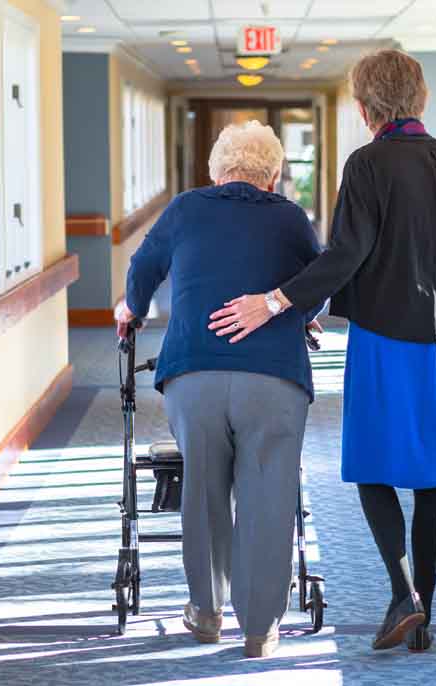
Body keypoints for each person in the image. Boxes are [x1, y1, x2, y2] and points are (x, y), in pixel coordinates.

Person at [208, 50, 436, 653]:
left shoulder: (368, 164)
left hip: (390, 337)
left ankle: (401, 592)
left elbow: (346, 254)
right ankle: (424, 618)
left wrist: (280, 303)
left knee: (370, 466)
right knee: (432, 479)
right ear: (419, 99)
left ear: (364, 109)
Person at [115, 120, 323, 658]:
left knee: (204, 489)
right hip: (274, 379)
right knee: (269, 495)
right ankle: (260, 628)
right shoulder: (291, 217)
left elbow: (143, 269)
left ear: (215, 170)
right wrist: (298, 310)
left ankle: (206, 612)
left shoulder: (186, 208)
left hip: (196, 376)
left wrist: (129, 309)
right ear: (274, 175)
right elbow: (319, 285)